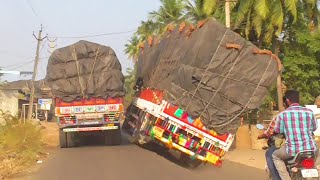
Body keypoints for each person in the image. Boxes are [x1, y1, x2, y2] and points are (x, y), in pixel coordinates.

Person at [272, 90, 318, 180]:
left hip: (292, 150)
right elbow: (314, 127)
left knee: (275, 156)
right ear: (298, 99)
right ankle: (317, 171)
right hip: (310, 149)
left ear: (288, 100)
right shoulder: (309, 112)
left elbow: (277, 130)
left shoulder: (282, 114)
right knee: (317, 152)